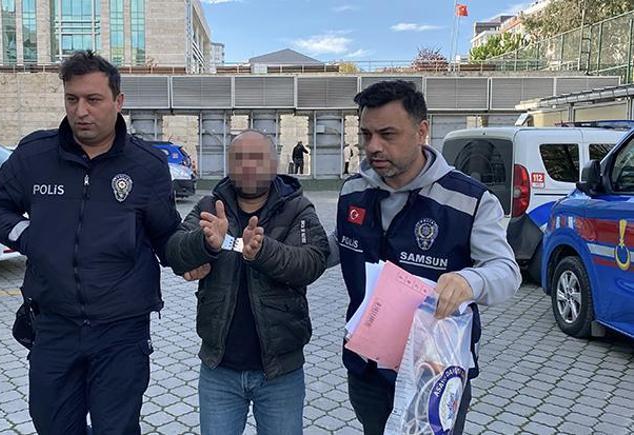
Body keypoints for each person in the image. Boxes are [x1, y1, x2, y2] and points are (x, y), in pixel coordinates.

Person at [0, 50, 181, 435]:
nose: (81, 111)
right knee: (52, 425)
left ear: (118, 101)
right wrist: (27, 237)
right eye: (72, 99)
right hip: (54, 325)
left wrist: (199, 252)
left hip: (122, 331)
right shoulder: (35, 154)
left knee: (116, 429)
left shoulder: (146, 165)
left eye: (93, 99)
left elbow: (166, 236)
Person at [329, 80, 520, 434]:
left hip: (435, 370)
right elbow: (338, 243)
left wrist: (469, 280)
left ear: (421, 131)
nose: (373, 146)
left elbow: (506, 271)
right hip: (366, 367)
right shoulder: (354, 190)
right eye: (366, 134)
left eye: (387, 134)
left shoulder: (470, 200)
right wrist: (276, 249)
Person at [165, 130, 330, 435]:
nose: (248, 166)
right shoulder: (211, 204)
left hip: (280, 370)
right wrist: (205, 243)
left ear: (274, 163)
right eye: (239, 159)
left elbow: (312, 260)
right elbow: (174, 250)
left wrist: (262, 251)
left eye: (257, 158)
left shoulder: (297, 208)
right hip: (219, 368)